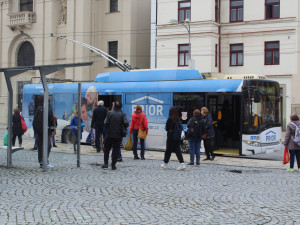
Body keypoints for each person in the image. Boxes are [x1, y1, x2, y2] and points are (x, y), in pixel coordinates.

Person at [102, 102, 129, 170]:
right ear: (120, 107)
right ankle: (113, 165)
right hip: (118, 135)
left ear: (114, 106)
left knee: (107, 149)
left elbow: (105, 123)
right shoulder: (123, 114)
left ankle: (105, 164)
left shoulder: (109, 113)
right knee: (115, 150)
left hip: (109, 134)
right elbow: (126, 123)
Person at [32, 95, 55, 168]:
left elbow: (35, 120)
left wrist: (36, 130)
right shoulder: (48, 107)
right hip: (46, 130)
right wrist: (52, 129)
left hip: (39, 131)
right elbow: (51, 119)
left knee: (40, 146)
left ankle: (41, 161)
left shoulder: (38, 108)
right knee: (47, 145)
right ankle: (46, 161)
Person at [161, 106, 185, 171]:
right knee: (178, 151)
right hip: (177, 136)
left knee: (168, 151)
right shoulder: (178, 119)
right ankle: (182, 164)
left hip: (171, 136)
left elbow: (167, 128)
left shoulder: (170, 119)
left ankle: (165, 163)